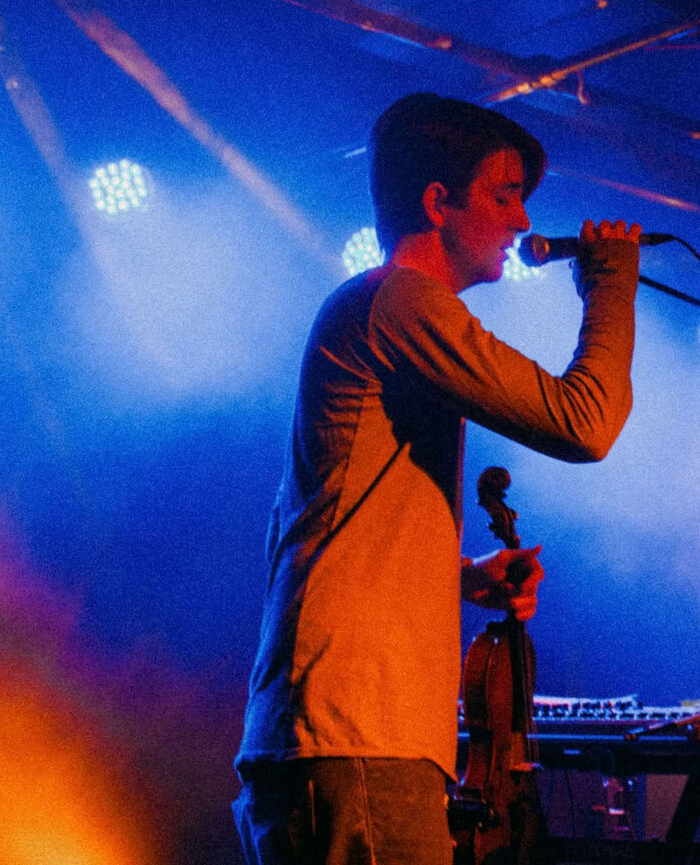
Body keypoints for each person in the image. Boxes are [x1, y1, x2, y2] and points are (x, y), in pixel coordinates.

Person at [233, 93, 640, 865]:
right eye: (505, 195)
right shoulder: (401, 300)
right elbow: (583, 422)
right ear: (437, 203)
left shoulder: (377, 310)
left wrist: (461, 575)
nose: (523, 222)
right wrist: (613, 288)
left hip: (328, 742)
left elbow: (322, 522)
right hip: (356, 740)